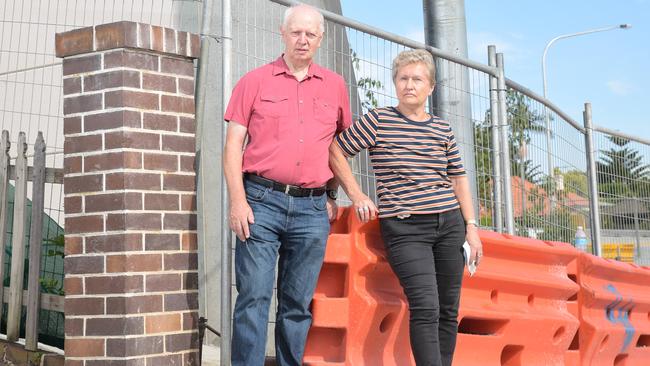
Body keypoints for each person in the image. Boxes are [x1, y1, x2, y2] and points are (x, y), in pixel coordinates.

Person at [329, 49, 482, 366]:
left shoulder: (442, 129)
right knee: (426, 306)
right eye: (403, 78)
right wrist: (357, 195)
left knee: (448, 310)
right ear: (394, 83)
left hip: (450, 225)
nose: (409, 85)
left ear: (431, 87)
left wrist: (472, 227)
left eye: (417, 79)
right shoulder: (378, 120)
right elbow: (336, 150)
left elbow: (458, 179)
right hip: (406, 228)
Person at [223, 4, 352, 366]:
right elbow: (233, 144)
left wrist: (331, 195)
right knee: (253, 297)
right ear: (283, 34)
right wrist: (237, 201)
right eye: (296, 32)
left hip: (312, 210)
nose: (303, 39)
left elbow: (339, 149)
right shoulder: (254, 81)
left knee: (297, 304)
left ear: (321, 39)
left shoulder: (335, 86)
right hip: (260, 202)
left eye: (311, 34)